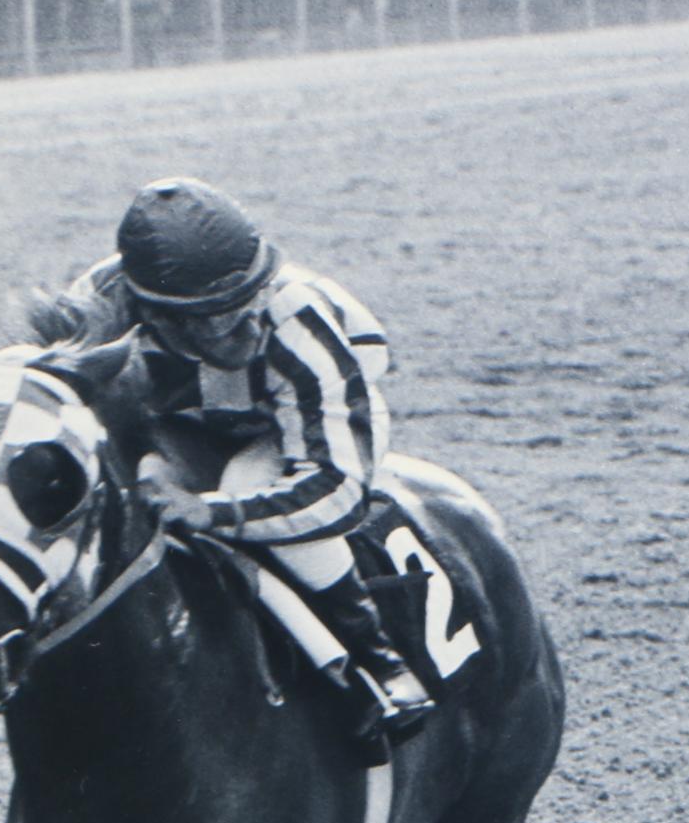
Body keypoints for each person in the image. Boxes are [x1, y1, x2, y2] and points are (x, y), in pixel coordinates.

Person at [62, 177, 436, 751]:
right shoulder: (96, 307)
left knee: (246, 486)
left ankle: (377, 661)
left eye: (246, 299)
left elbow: (333, 488)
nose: (240, 325)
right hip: (178, 416)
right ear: (151, 310)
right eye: (209, 315)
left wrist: (212, 512)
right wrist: (147, 458)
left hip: (287, 417)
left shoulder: (297, 320)